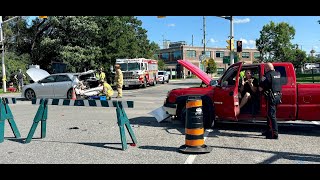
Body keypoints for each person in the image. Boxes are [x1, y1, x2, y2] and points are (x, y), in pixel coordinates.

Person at [259, 63, 282, 139]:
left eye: (265, 68)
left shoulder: (267, 75)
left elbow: (260, 88)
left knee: (271, 115)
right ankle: (269, 130)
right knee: (270, 114)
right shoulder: (278, 74)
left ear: (266, 68)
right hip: (278, 96)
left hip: (271, 97)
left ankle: (274, 134)